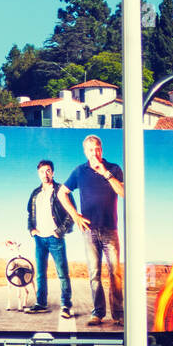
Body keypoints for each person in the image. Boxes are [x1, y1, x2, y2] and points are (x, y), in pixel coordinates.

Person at [58, 134, 125, 326]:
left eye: (97, 148)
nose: (94, 153)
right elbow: (62, 193)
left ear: (101, 149)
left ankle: (118, 315)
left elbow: (122, 192)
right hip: (89, 231)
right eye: (90, 150)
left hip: (110, 229)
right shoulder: (79, 171)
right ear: (85, 152)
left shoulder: (113, 168)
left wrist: (105, 172)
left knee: (115, 273)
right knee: (94, 273)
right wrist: (75, 216)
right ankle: (98, 313)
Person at [25, 159, 74, 318]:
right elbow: (29, 214)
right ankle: (41, 303)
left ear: (52, 172)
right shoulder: (35, 193)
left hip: (55, 238)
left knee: (62, 273)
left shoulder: (61, 190)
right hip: (39, 238)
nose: (45, 174)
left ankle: (66, 305)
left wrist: (59, 232)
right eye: (41, 171)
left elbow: (71, 215)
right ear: (38, 174)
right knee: (40, 273)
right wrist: (31, 229)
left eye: (48, 171)